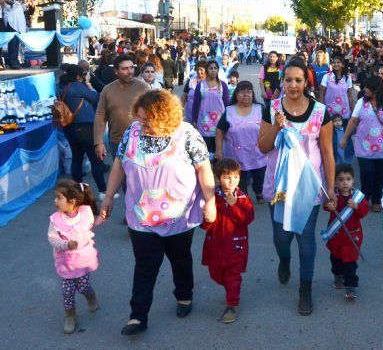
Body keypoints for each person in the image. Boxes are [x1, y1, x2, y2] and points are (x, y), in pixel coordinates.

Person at [95, 90, 217, 336]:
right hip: (141, 217)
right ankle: (137, 316)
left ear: (164, 117)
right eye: (139, 118)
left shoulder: (187, 134)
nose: (141, 123)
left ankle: (184, 295)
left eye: (147, 119)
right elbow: (119, 163)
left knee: (180, 259)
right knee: (145, 265)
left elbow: (203, 168)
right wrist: (108, 197)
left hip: (178, 217)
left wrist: (210, 201)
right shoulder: (132, 132)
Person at [258, 59, 337, 316]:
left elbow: (327, 152)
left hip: (308, 186)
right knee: (282, 237)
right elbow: (262, 147)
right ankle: (284, 259)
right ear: (283, 81)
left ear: (306, 82)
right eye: (288, 80)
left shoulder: (320, 111)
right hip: (278, 186)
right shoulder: (271, 108)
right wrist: (278, 126)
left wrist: (331, 189)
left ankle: (305, 288)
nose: (293, 85)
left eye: (298, 80)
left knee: (305, 238)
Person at [340, 75, 383, 213]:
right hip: (363, 146)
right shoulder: (361, 102)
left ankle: (376, 199)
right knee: (367, 174)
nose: (364, 89)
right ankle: (364, 197)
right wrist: (344, 138)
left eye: (367, 87)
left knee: (380, 175)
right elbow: (353, 121)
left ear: (375, 89)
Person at [201, 158, 255, 323]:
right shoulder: (212, 198)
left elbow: (247, 219)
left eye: (235, 177)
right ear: (218, 178)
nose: (232, 181)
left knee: (233, 277)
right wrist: (207, 219)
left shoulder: (243, 198)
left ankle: (232, 304)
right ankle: (231, 290)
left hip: (236, 246)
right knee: (215, 274)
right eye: (227, 177)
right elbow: (204, 224)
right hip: (215, 245)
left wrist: (234, 205)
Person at [48, 180, 100, 334]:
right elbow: (52, 238)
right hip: (65, 263)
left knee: (83, 286)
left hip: (82, 261)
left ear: (72, 201)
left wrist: (102, 216)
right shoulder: (55, 219)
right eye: (56, 197)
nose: (55, 201)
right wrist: (65, 244)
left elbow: (92, 226)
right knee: (67, 291)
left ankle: (90, 296)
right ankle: (70, 316)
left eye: (59, 198)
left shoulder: (85, 213)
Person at [58, 65, 108, 197]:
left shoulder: (62, 87)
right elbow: (96, 98)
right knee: (95, 159)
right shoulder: (77, 86)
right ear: (78, 76)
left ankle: (78, 190)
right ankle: (103, 191)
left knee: (77, 157)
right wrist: (89, 85)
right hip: (84, 126)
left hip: (68, 127)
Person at [93, 54, 150, 170]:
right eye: (124, 69)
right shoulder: (107, 90)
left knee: (141, 178)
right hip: (117, 142)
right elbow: (100, 116)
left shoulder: (144, 88)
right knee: (122, 179)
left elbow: (154, 114)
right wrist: (99, 142)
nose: (130, 72)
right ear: (116, 71)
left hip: (141, 140)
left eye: (131, 67)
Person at [215, 80, 267, 202]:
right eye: (242, 92)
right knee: (239, 181)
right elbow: (219, 131)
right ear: (237, 95)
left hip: (258, 154)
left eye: (249, 91)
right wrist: (218, 149)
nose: (246, 94)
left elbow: (270, 127)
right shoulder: (229, 111)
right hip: (236, 155)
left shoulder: (261, 109)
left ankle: (258, 192)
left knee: (259, 178)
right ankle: (244, 200)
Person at [324, 164, 369, 300]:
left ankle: (351, 286)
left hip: (352, 236)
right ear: (335, 182)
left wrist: (356, 207)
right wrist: (328, 205)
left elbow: (364, 211)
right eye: (341, 180)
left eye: (348, 179)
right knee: (336, 260)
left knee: (350, 263)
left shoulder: (358, 197)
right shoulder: (333, 196)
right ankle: (337, 275)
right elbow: (326, 206)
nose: (345, 183)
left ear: (353, 180)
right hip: (337, 236)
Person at [192, 59, 230, 154]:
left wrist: (229, 120)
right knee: (206, 151)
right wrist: (194, 120)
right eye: (210, 68)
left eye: (215, 68)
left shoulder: (223, 85)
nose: (213, 70)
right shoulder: (200, 85)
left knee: (219, 149)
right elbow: (196, 104)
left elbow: (227, 104)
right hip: (204, 122)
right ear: (206, 70)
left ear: (218, 70)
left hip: (220, 121)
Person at [320, 55, 355, 122]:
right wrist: (322, 110)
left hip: (344, 112)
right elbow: (321, 94)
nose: (336, 64)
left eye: (338, 62)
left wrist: (353, 112)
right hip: (329, 112)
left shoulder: (348, 78)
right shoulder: (326, 77)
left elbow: (350, 96)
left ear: (343, 65)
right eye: (334, 63)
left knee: (344, 131)